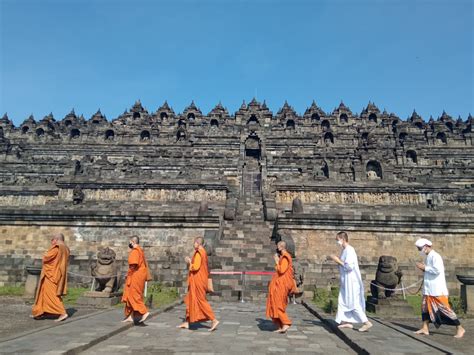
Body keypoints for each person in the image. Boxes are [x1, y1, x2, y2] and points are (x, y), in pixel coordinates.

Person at [414, 238, 465, 338]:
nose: (419, 251)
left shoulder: (435, 256)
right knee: (425, 308)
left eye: (420, 248)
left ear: (426, 246)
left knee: (445, 309)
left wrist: (425, 268)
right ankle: (425, 327)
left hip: (437, 290)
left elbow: (437, 270)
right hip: (429, 289)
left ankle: (460, 328)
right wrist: (424, 268)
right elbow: (430, 271)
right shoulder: (428, 257)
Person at [330, 231, 372, 332]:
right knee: (343, 300)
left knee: (353, 302)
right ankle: (347, 321)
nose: (337, 242)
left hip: (352, 282)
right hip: (346, 281)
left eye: (337, 239)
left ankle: (366, 322)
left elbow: (349, 267)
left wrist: (337, 260)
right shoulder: (345, 250)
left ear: (342, 239)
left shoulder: (349, 250)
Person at [178, 237, 219, 331]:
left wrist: (189, 262)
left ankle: (214, 319)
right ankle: (187, 322)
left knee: (201, 301)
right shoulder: (202, 252)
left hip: (198, 281)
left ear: (198, 243)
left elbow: (196, 267)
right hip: (198, 280)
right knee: (190, 299)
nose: (193, 244)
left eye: (194, 243)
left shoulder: (199, 253)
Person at [31, 233, 70, 322]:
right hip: (58, 273)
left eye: (52, 240)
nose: (51, 242)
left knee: (52, 295)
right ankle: (40, 311)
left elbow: (46, 257)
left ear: (55, 239)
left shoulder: (57, 247)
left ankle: (62, 312)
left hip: (51, 275)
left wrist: (45, 253)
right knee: (44, 293)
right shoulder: (66, 248)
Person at [266, 240, 297, 333]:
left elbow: (282, 270)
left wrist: (276, 261)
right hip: (278, 284)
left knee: (278, 304)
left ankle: (286, 323)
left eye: (278, 246)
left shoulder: (286, 257)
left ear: (281, 247)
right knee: (274, 304)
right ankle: (280, 325)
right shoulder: (283, 257)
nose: (277, 247)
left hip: (282, 285)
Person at [122, 236, 150, 323]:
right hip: (139, 275)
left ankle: (144, 312)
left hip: (136, 275)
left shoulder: (135, 251)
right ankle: (131, 316)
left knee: (133, 295)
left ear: (132, 242)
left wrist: (128, 274)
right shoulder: (140, 251)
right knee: (131, 293)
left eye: (130, 242)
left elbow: (133, 265)